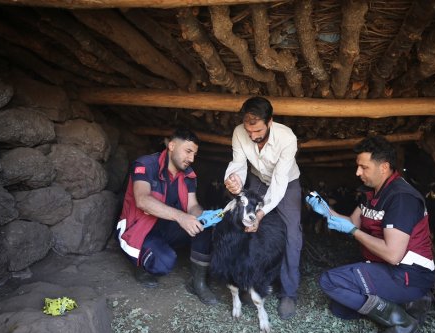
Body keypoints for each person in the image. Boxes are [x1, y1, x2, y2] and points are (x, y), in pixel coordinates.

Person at [307, 136, 435, 333]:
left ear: (384, 167)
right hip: (384, 268)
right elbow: (351, 222)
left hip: (408, 273)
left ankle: (404, 324)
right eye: (358, 166)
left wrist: (354, 232)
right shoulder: (370, 193)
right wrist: (325, 210)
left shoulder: (401, 198)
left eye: (363, 167)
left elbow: (393, 254)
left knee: (329, 282)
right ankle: (405, 304)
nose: (358, 173)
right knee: (340, 309)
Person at [116, 128, 221, 305]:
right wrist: (181, 217)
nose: (191, 159)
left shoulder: (188, 175)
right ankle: (142, 266)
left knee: (203, 228)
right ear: (171, 145)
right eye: (188, 151)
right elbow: (142, 200)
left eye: (194, 154)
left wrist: (206, 217)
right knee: (163, 262)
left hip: (167, 226)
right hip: (139, 228)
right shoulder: (146, 164)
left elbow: (192, 206)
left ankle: (198, 283)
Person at [223, 96, 303, 320]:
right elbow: (238, 163)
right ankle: (248, 281)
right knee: (244, 225)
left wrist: (260, 212)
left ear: (270, 122)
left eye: (257, 131)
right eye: (249, 132)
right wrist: (234, 179)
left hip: (287, 183)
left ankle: (288, 293)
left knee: (293, 235)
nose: (253, 136)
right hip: (257, 178)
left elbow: (278, 182)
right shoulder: (240, 132)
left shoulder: (287, 138)